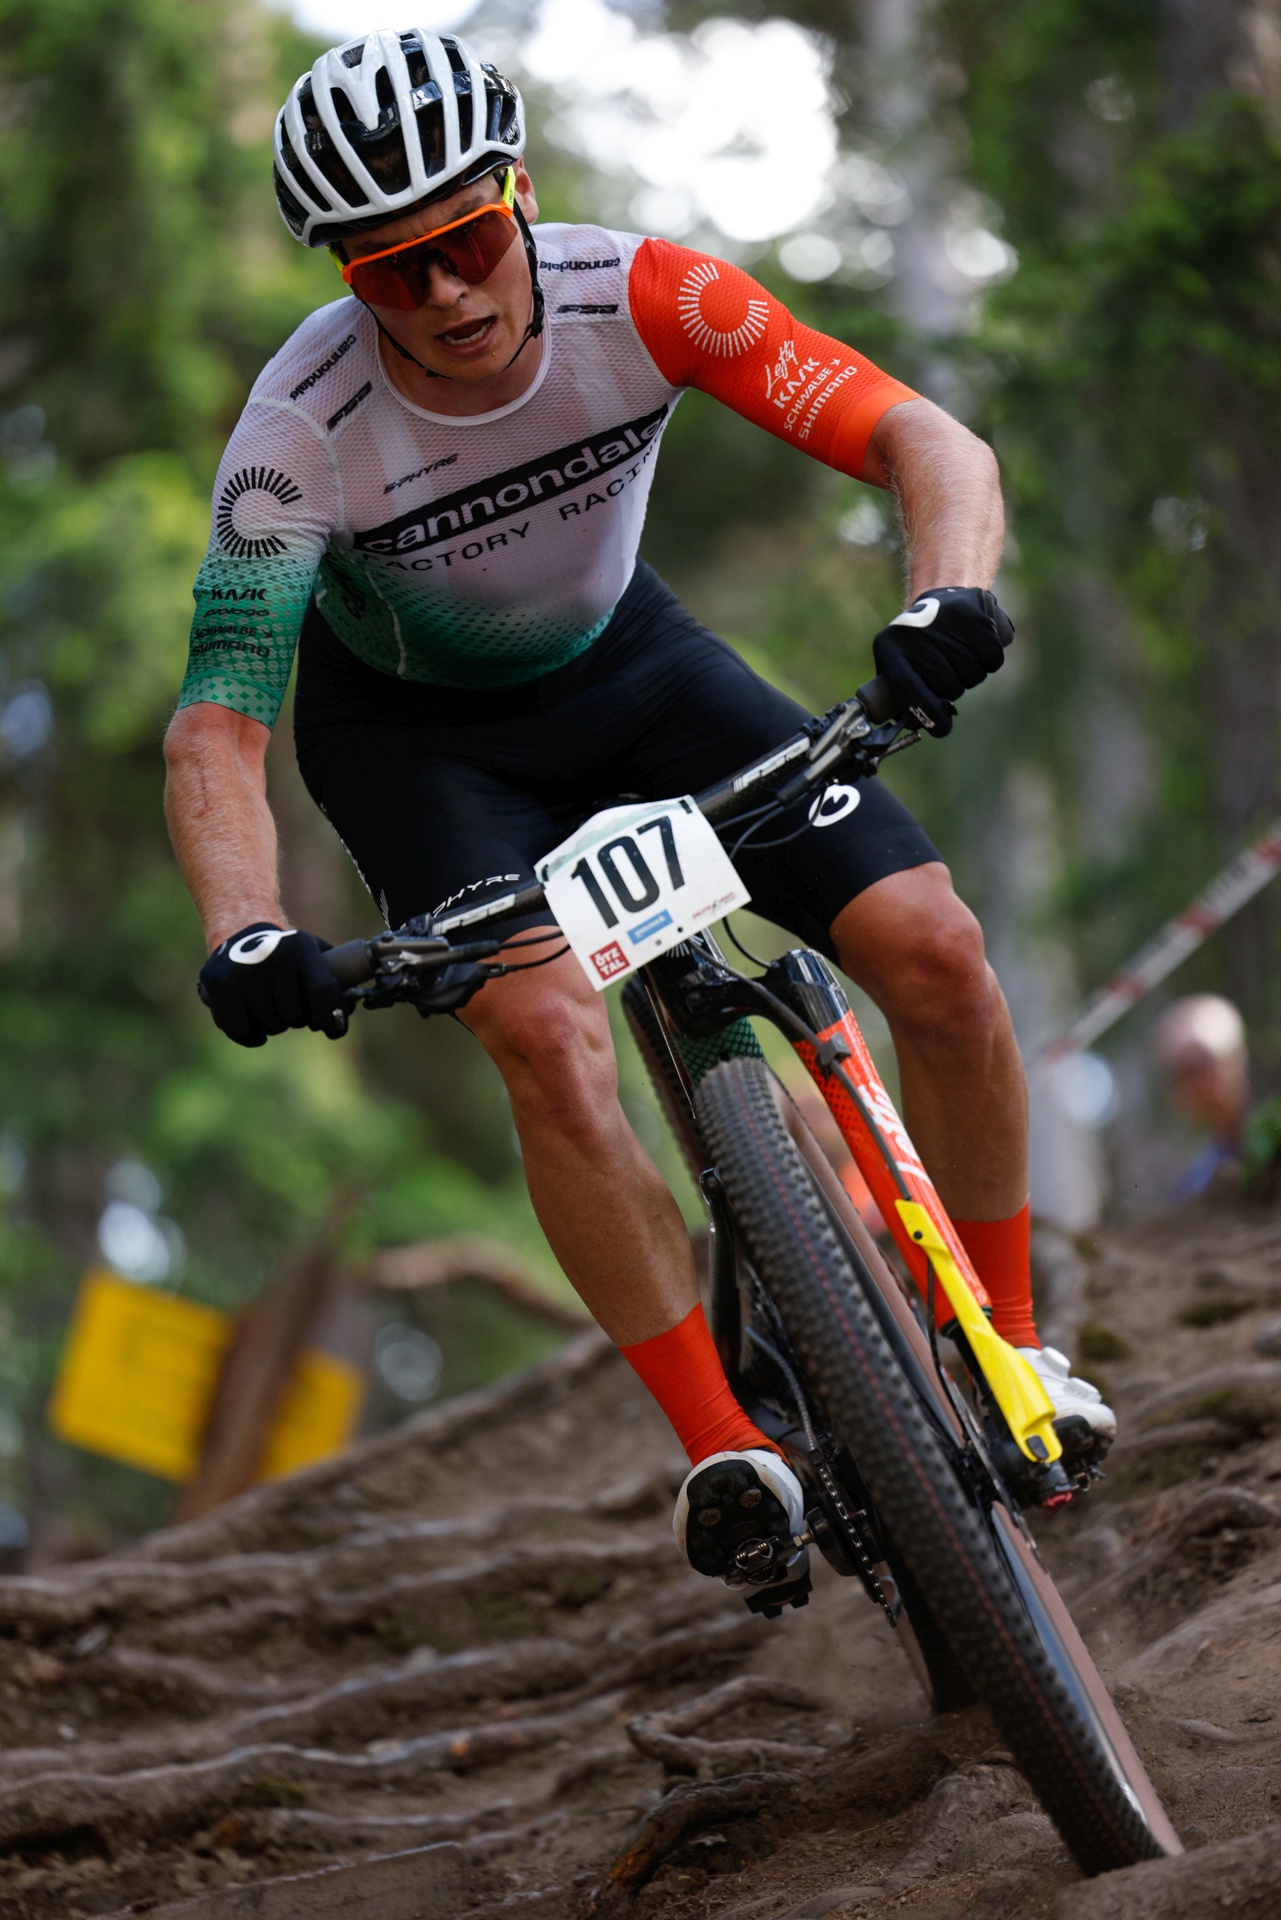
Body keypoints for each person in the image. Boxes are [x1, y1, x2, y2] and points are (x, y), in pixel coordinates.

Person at [164, 27, 1113, 1596]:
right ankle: (724, 1449)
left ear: (522, 195)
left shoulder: (650, 296)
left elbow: (922, 439)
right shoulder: (292, 438)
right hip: (416, 743)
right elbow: (217, 726)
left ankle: (1013, 1350)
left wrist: (945, 597)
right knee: (545, 1037)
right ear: (345, 276)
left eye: (470, 240)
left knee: (936, 951)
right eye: (394, 270)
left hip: (634, 670)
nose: (447, 293)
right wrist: (247, 930)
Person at [1154, 994, 1248, 1197]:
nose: (1194, 1085)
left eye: (1200, 1063)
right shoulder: (1198, 1186)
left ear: (1235, 1058)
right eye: (1181, 1075)